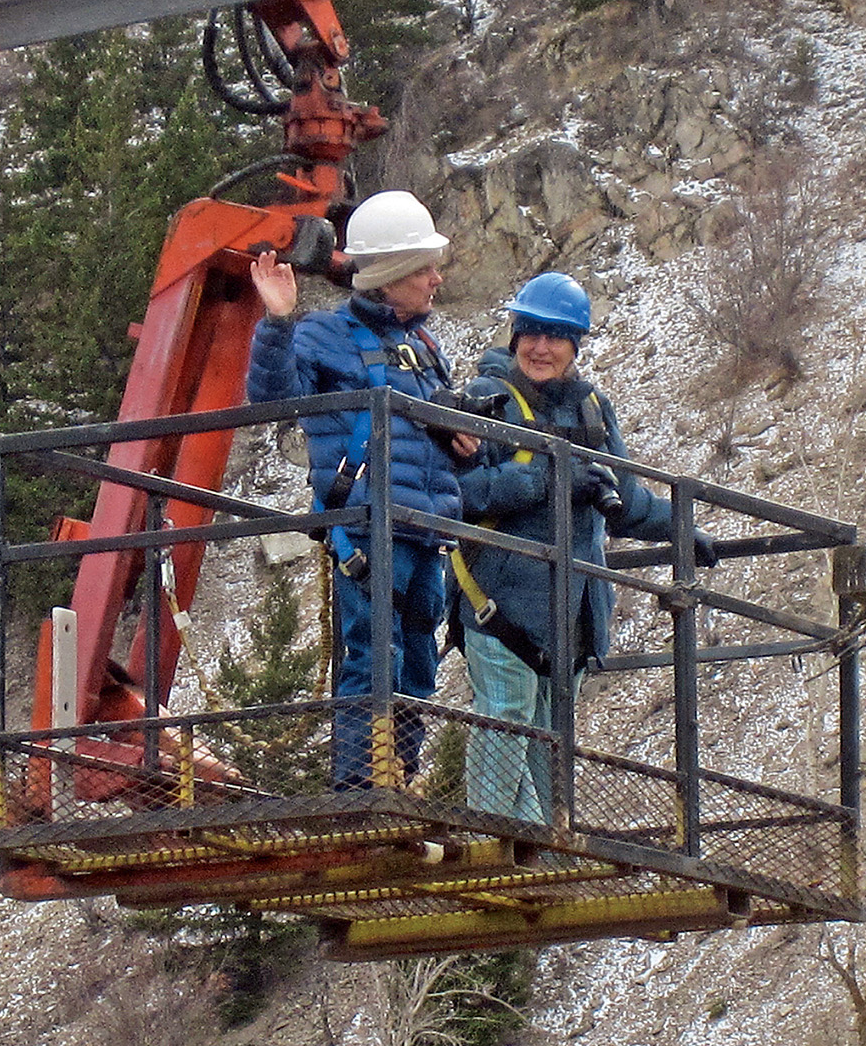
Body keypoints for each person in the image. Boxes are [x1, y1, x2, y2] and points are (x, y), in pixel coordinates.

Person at [451, 272, 716, 824]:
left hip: (571, 616)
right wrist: (548, 482)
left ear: (576, 344)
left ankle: (542, 861)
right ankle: (493, 851)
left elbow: (624, 497)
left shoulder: (592, 409)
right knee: (504, 727)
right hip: (499, 604)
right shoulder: (483, 401)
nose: (540, 347)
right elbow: (455, 495)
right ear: (515, 333)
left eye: (555, 336)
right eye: (531, 333)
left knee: (552, 754)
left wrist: (680, 530)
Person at [245, 190, 479, 790]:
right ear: (392, 273)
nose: (435, 278)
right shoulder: (325, 336)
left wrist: (466, 441)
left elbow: (426, 437)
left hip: (426, 529)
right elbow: (272, 398)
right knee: (375, 654)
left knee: (419, 660)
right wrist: (276, 322)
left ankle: (398, 770)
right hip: (369, 526)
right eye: (423, 267)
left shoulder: (426, 350)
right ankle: (360, 783)